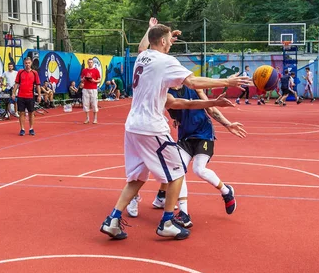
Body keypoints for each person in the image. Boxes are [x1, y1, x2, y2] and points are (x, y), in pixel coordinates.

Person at [99, 17, 249, 241]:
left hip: (132, 127)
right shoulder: (164, 61)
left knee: (137, 178)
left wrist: (150, 30)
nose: (171, 44)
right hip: (151, 127)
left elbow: (143, 46)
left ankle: (112, 220)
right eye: (169, 40)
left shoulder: (143, 57)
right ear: (160, 41)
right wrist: (227, 83)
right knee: (178, 169)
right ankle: (167, 222)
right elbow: (194, 83)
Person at [126, 85, 246, 223]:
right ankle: (184, 214)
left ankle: (226, 191)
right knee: (178, 171)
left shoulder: (194, 87)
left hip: (204, 134)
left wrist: (228, 124)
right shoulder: (165, 92)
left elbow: (210, 109)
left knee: (199, 169)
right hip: (185, 137)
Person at [12, 56, 42, 136]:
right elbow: (17, 83)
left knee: (31, 113)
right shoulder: (20, 72)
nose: (27, 65)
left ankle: (31, 128)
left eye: (29, 63)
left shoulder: (34, 73)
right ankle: (22, 129)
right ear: (24, 64)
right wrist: (13, 93)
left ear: (31, 63)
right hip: (21, 96)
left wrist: (39, 95)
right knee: (21, 113)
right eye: (26, 63)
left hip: (30, 96)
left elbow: (38, 85)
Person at [80, 58, 101, 124]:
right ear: (87, 63)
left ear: (93, 63)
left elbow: (99, 79)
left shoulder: (96, 71)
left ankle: (95, 119)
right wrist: (83, 79)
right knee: (86, 103)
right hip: (86, 88)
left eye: (91, 62)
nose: (90, 63)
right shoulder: (84, 70)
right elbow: (81, 80)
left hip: (93, 89)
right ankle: (87, 118)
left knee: (94, 103)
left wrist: (94, 81)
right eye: (89, 62)